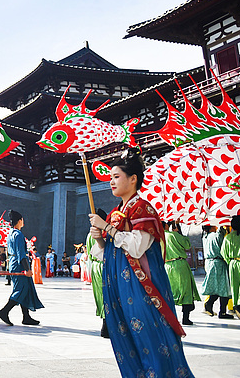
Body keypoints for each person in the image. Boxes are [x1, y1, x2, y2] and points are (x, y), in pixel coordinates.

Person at [88, 148, 192, 377]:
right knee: (128, 337)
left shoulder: (142, 208)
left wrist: (106, 228)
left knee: (151, 335)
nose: (111, 182)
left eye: (117, 176)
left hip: (142, 286)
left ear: (133, 179)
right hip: (120, 286)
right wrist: (100, 239)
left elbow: (137, 246)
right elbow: (109, 255)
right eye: (111, 177)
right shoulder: (117, 212)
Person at [0, 210, 43, 326]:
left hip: (14, 263)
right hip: (19, 265)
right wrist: (27, 269)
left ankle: (26, 317)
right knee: (20, 289)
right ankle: (4, 311)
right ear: (19, 221)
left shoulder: (10, 234)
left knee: (25, 289)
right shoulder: (18, 234)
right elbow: (21, 253)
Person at [163, 221, 200, 325]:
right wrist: (179, 232)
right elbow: (187, 245)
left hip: (167, 266)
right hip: (179, 265)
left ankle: (169, 318)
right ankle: (185, 318)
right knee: (186, 290)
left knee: (170, 291)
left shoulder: (160, 237)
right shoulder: (174, 235)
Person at [201, 225, 232, 319]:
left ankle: (209, 305)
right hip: (218, 263)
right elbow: (222, 237)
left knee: (216, 288)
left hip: (209, 263)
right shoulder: (216, 235)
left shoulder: (205, 237)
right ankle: (221, 311)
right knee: (224, 288)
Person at [85, 232, 107, 338]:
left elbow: (89, 253)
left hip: (94, 266)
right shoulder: (105, 233)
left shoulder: (90, 235)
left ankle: (105, 323)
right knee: (106, 295)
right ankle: (106, 325)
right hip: (104, 265)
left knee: (99, 295)